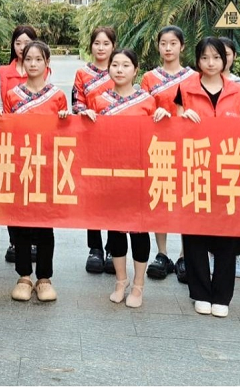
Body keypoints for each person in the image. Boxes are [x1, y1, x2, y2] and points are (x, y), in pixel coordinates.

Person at [81, 48, 170, 307]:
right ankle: (121, 281)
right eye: (115, 65)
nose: (119, 70)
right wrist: (86, 118)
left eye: (125, 65)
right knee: (115, 231)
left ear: (136, 69)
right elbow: (88, 136)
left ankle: (138, 285)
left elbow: (160, 136)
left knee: (139, 231)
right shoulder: (98, 100)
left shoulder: (148, 101)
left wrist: (163, 117)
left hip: (139, 177)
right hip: (110, 176)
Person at [175, 37, 240, 318]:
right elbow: (175, 127)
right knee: (195, 232)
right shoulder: (185, 88)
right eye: (205, 58)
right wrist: (183, 119)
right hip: (195, 167)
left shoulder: (239, 90)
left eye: (216, 57)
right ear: (197, 60)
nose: (210, 63)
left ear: (226, 59)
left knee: (226, 234)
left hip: (228, 169)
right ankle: (200, 292)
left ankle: (222, 295)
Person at [1, 40, 68, 303]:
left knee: (44, 225)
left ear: (47, 63)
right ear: (21, 61)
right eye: (28, 59)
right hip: (18, 165)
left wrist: (65, 120)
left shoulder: (57, 96)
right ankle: (24, 276)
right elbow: (6, 129)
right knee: (18, 222)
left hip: (46, 167)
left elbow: (65, 134)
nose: (33, 64)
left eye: (38, 59)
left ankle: (44, 278)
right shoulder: (12, 95)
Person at [139, 26, 195, 282]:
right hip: (158, 146)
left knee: (185, 199)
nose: (168, 48)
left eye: (173, 43)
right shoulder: (149, 78)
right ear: (158, 46)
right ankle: (162, 253)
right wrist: (155, 115)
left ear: (182, 46)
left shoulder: (194, 77)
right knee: (160, 197)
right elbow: (142, 108)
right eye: (164, 43)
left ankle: (184, 255)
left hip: (187, 146)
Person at [0, 25, 42, 263]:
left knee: (35, 191)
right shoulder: (3, 72)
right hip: (11, 141)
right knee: (12, 193)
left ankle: (34, 239)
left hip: (38, 143)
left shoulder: (41, 69)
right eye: (18, 43)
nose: (22, 47)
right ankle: (14, 241)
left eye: (27, 42)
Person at [74, 27, 116, 275]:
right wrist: (84, 112)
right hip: (89, 139)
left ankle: (113, 248)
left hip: (116, 143)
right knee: (93, 194)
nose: (101, 48)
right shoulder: (82, 73)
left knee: (113, 195)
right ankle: (95, 248)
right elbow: (76, 102)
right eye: (97, 43)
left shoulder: (119, 69)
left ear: (113, 46)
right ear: (91, 46)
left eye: (106, 43)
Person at [221, 36, 240, 279]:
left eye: (225, 54)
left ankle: (235, 255)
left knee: (234, 207)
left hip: (234, 154)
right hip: (206, 155)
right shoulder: (196, 84)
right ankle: (212, 254)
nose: (219, 59)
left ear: (233, 57)